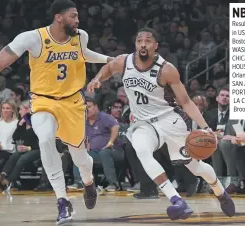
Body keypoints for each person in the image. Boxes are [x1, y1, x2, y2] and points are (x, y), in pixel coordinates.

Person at [0, 0, 113, 224]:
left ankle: (89, 182)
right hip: (43, 100)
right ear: (58, 17)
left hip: (72, 101)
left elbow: (84, 53)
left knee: (80, 157)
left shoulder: (80, 36)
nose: (77, 20)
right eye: (73, 15)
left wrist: (109, 60)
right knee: (45, 141)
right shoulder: (32, 38)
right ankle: (63, 201)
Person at [87, 27, 235, 220]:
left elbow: (186, 102)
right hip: (143, 124)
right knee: (141, 150)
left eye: (148, 41)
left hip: (169, 120)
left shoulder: (166, 69)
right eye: (139, 40)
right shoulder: (125, 61)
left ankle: (221, 192)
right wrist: (97, 79)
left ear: (155, 46)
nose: (143, 44)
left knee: (195, 167)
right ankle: (176, 200)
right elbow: (109, 67)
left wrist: (205, 127)